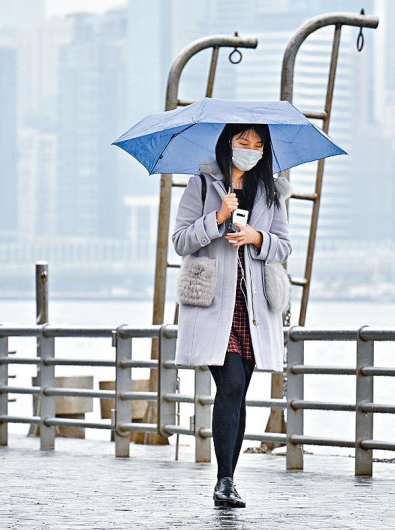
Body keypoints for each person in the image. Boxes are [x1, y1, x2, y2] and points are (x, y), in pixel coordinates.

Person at [172, 123, 292, 508]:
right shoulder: (203, 185)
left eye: (258, 143)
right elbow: (180, 241)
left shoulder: (271, 192)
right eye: (244, 141)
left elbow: (284, 246)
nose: (252, 149)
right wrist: (217, 218)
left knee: (238, 394)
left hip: (253, 305)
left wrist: (257, 237)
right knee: (233, 383)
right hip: (214, 304)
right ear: (228, 143)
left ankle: (229, 480)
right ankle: (224, 480)